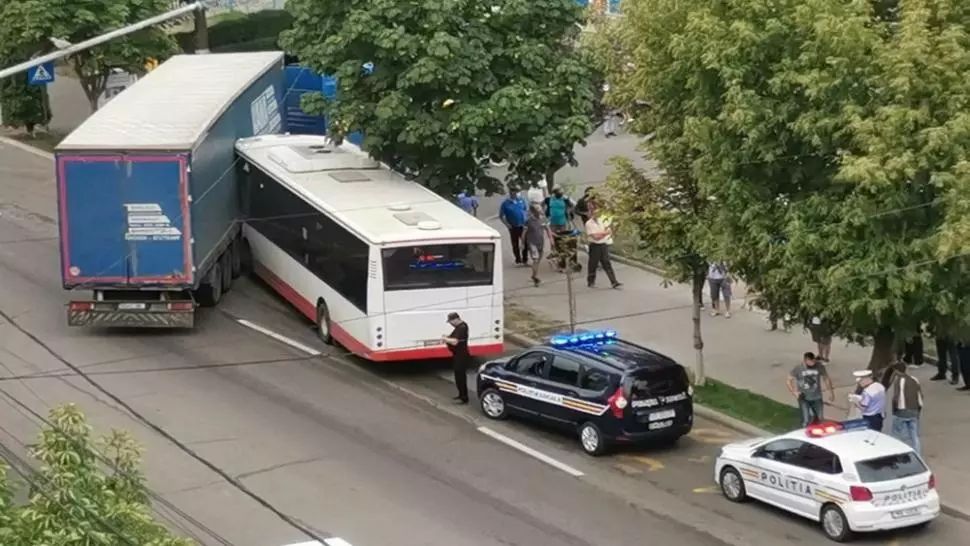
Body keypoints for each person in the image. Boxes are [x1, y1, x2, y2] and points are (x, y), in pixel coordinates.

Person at [787, 352, 834, 427]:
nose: (813, 363)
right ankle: (804, 432)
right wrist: (794, 392)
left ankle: (818, 433)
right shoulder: (798, 368)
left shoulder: (819, 366)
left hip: (817, 397)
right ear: (805, 360)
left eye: (814, 361)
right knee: (806, 420)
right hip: (804, 398)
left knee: (820, 418)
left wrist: (831, 393)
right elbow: (788, 380)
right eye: (810, 362)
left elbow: (826, 379)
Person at [888, 361, 924, 453]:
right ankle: (917, 453)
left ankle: (898, 453)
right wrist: (918, 410)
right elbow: (920, 396)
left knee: (896, 434)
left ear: (896, 371)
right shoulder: (914, 379)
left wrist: (894, 410)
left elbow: (896, 397)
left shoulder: (898, 381)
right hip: (914, 411)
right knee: (914, 435)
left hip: (902, 411)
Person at [585, 205, 621, 289]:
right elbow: (595, 237)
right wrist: (604, 233)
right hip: (594, 246)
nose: (596, 215)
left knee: (606, 263)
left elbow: (609, 230)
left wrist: (602, 233)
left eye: (598, 213)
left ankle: (614, 281)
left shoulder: (602, 220)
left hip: (603, 244)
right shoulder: (589, 224)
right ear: (591, 213)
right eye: (594, 213)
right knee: (593, 264)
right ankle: (591, 281)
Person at [441, 312, 470, 404]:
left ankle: (464, 397)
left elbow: (455, 342)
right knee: (458, 376)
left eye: (451, 321)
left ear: (456, 319)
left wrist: (445, 339)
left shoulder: (462, 327)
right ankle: (461, 394)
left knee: (461, 377)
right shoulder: (458, 328)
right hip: (457, 355)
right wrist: (447, 337)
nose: (450, 323)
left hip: (461, 356)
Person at [498, 186, 528, 265]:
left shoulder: (521, 200)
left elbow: (525, 210)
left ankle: (525, 259)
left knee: (525, 242)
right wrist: (507, 225)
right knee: (515, 243)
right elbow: (501, 216)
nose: (515, 193)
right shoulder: (505, 203)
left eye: (516, 191)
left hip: (522, 225)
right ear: (510, 192)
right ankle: (518, 259)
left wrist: (526, 220)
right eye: (513, 191)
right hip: (513, 226)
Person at [524, 204, 548, 286]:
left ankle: (534, 275)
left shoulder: (543, 219)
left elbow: (547, 229)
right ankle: (535, 277)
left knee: (538, 260)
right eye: (537, 208)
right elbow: (524, 233)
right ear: (533, 211)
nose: (539, 210)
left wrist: (551, 239)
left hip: (540, 242)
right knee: (535, 260)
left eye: (540, 208)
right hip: (532, 243)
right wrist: (522, 243)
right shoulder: (529, 221)